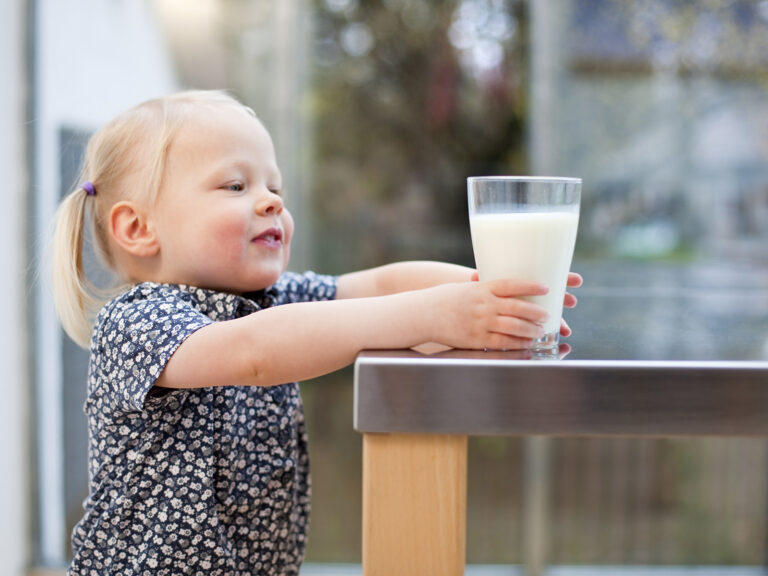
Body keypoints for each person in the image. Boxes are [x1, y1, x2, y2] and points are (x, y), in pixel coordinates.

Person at [51, 90, 582, 575]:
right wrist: (433, 315)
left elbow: (380, 284)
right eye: (236, 186)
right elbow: (254, 353)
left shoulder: (270, 300)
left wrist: (493, 296)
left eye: (274, 186)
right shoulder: (136, 321)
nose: (271, 201)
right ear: (139, 228)